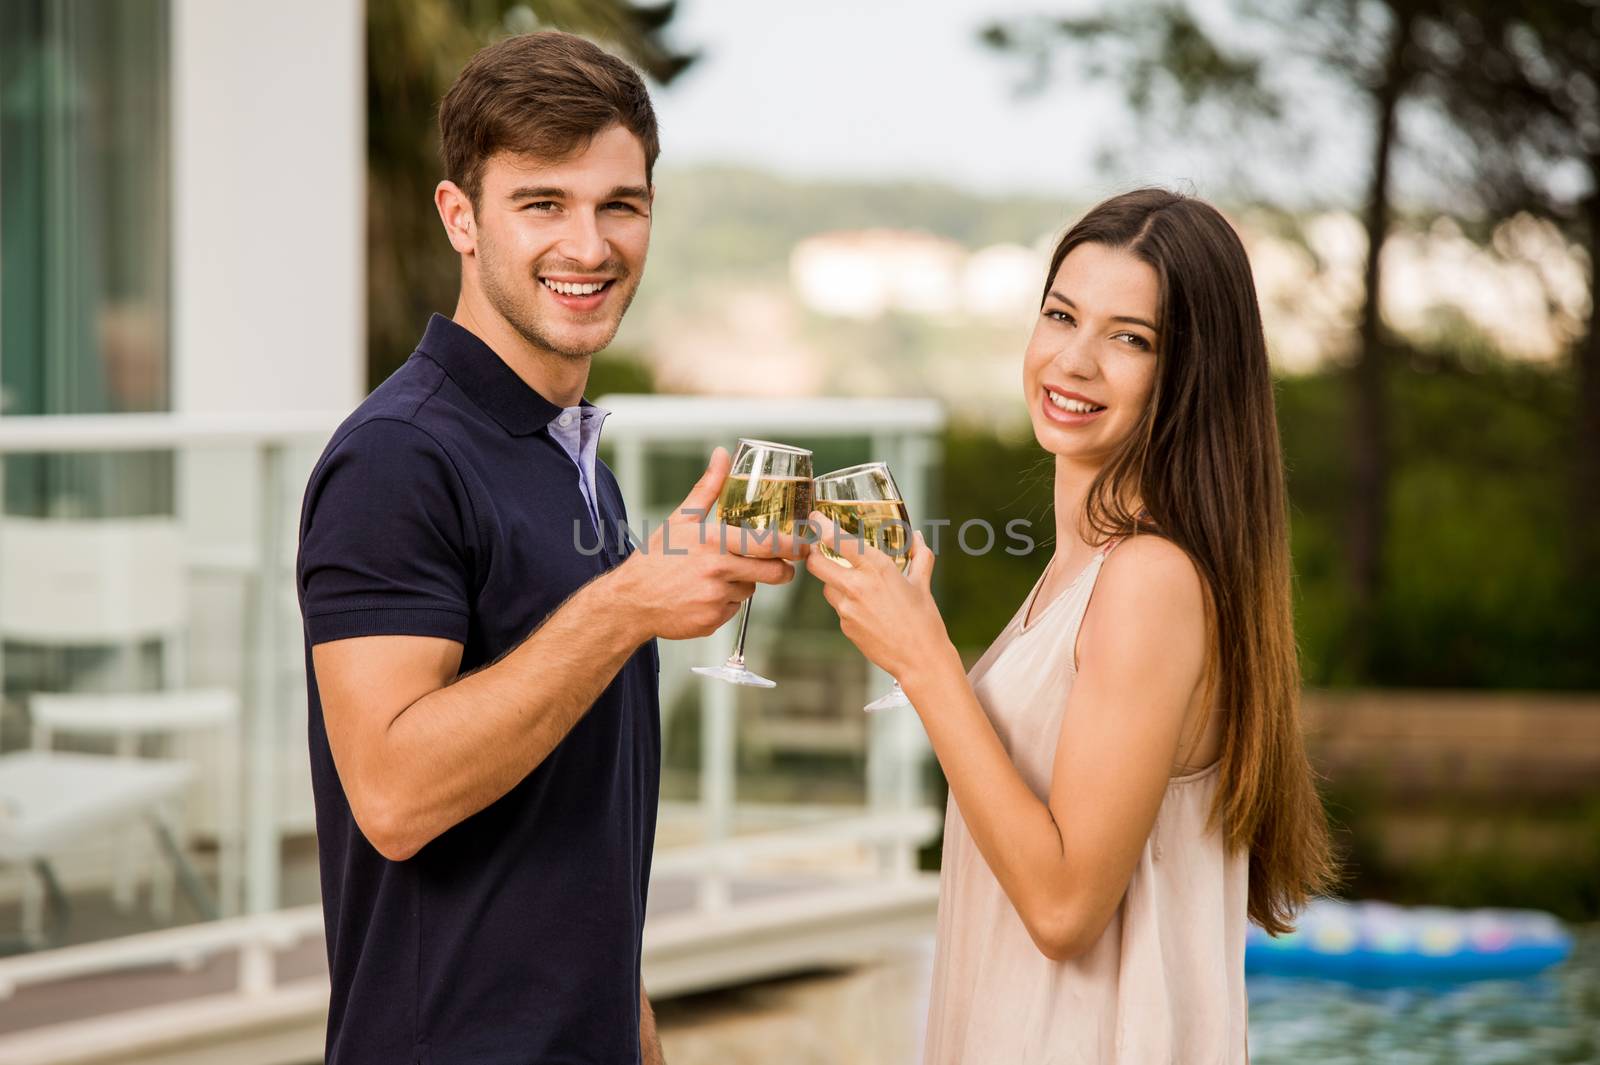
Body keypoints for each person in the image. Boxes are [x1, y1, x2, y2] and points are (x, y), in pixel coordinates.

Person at [296, 31, 797, 1065]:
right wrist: (626, 605)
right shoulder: (397, 459)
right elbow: (390, 796)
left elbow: (573, 846)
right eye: (542, 204)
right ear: (460, 219)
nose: (590, 244)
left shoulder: (574, 463)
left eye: (620, 204)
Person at [805, 188, 1339, 1064]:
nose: (1076, 360)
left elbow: (1064, 909)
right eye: (1062, 315)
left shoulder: (1148, 580)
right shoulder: (1077, 574)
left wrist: (924, 659)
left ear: (1190, 375)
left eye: (1131, 338)